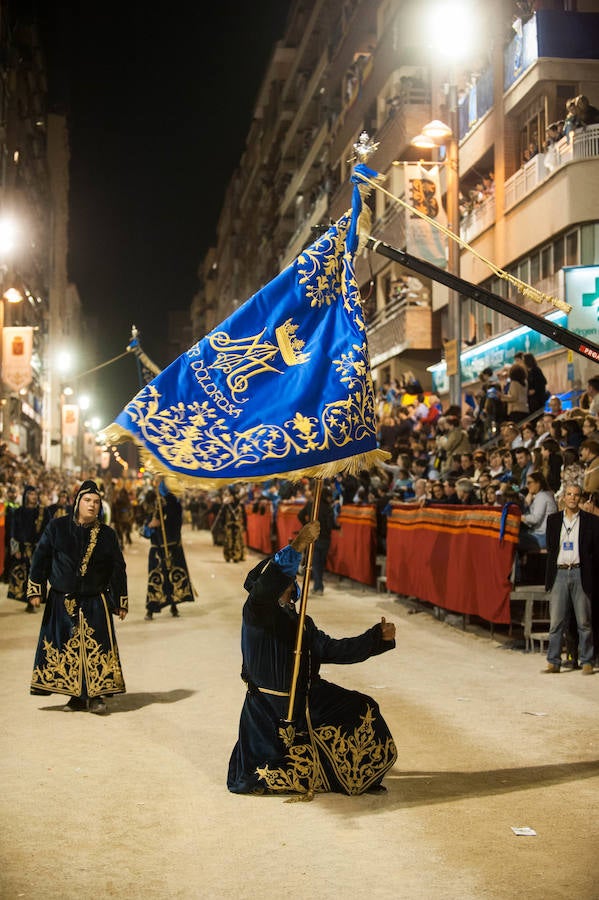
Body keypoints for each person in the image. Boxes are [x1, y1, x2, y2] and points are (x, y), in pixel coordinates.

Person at [227, 521, 397, 797]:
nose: (286, 585)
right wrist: (296, 547)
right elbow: (265, 590)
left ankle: (357, 775)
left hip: (307, 695)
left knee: (362, 707)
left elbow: (332, 650)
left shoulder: (301, 621)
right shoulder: (256, 613)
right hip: (271, 706)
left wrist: (377, 638)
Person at [27, 480, 128, 714]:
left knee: (97, 648)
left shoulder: (107, 534)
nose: (92, 506)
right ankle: (75, 696)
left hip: (95, 599)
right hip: (62, 600)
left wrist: (120, 600)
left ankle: (96, 696)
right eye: (87, 500)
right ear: (77, 502)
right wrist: (36, 589)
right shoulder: (57, 527)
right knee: (66, 648)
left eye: (96, 502)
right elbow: (40, 558)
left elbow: (117, 568)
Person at [542, 484, 599, 674]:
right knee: (556, 621)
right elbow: (551, 548)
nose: (573, 498)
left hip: (580, 572)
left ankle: (587, 661)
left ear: (580, 498)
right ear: (563, 497)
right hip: (559, 572)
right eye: (569, 494)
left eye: (576, 495)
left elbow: (594, 551)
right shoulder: (553, 520)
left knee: (584, 621)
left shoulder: (591, 521)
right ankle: (553, 661)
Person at [142, 481, 194, 620]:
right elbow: (145, 530)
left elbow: (175, 526)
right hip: (158, 548)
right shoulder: (156, 503)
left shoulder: (173, 505)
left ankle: (172, 605)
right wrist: (151, 525)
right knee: (157, 579)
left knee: (171, 577)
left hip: (170, 548)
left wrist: (161, 522)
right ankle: (151, 608)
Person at [8, 485, 46, 612]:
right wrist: (15, 549)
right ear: (25, 495)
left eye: (35, 494)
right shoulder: (18, 512)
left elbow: (47, 530)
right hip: (22, 548)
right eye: (31, 494)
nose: (33, 496)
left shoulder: (41, 512)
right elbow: (13, 532)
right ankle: (27, 600)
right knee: (22, 577)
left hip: (36, 548)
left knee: (34, 575)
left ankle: (33, 600)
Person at [297, 483, 339, 594]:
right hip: (326, 539)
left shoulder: (311, 505)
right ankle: (318, 586)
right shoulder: (329, 508)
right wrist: (338, 527)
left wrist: (307, 525)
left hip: (314, 538)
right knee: (321, 563)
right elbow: (331, 524)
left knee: (315, 563)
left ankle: (318, 586)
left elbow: (300, 515)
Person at [222, 485, 247, 563]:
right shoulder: (228, 504)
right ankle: (234, 556)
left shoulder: (237, 504)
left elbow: (244, 516)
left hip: (235, 525)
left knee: (235, 540)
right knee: (233, 540)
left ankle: (234, 556)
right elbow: (223, 516)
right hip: (232, 525)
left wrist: (245, 525)